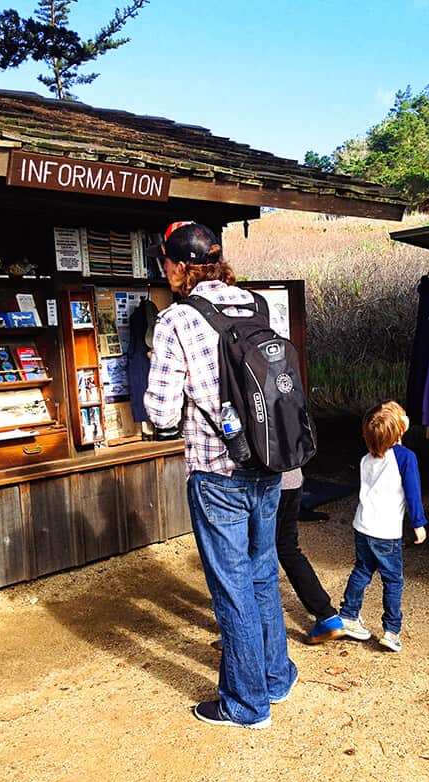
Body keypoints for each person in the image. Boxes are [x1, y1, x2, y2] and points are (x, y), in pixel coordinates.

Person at [144, 221, 297, 729]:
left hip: (217, 470)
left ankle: (246, 704)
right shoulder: (257, 305)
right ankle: (276, 677)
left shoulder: (176, 321)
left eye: (166, 260)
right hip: (268, 460)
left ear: (181, 266)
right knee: (260, 574)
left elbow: (163, 415)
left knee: (230, 587)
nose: (163, 268)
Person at [339, 400, 427, 652]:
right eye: (403, 417)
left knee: (363, 570)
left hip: (363, 526)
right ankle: (391, 630)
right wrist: (418, 523)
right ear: (399, 430)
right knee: (393, 581)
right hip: (386, 533)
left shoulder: (366, 459)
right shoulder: (405, 458)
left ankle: (348, 614)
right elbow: (413, 493)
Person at [277, 468, 344, 643]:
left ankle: (244, 630)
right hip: (293, 478)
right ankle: (327, 615)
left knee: (255, 552)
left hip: (266, 482)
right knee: (288, 548)